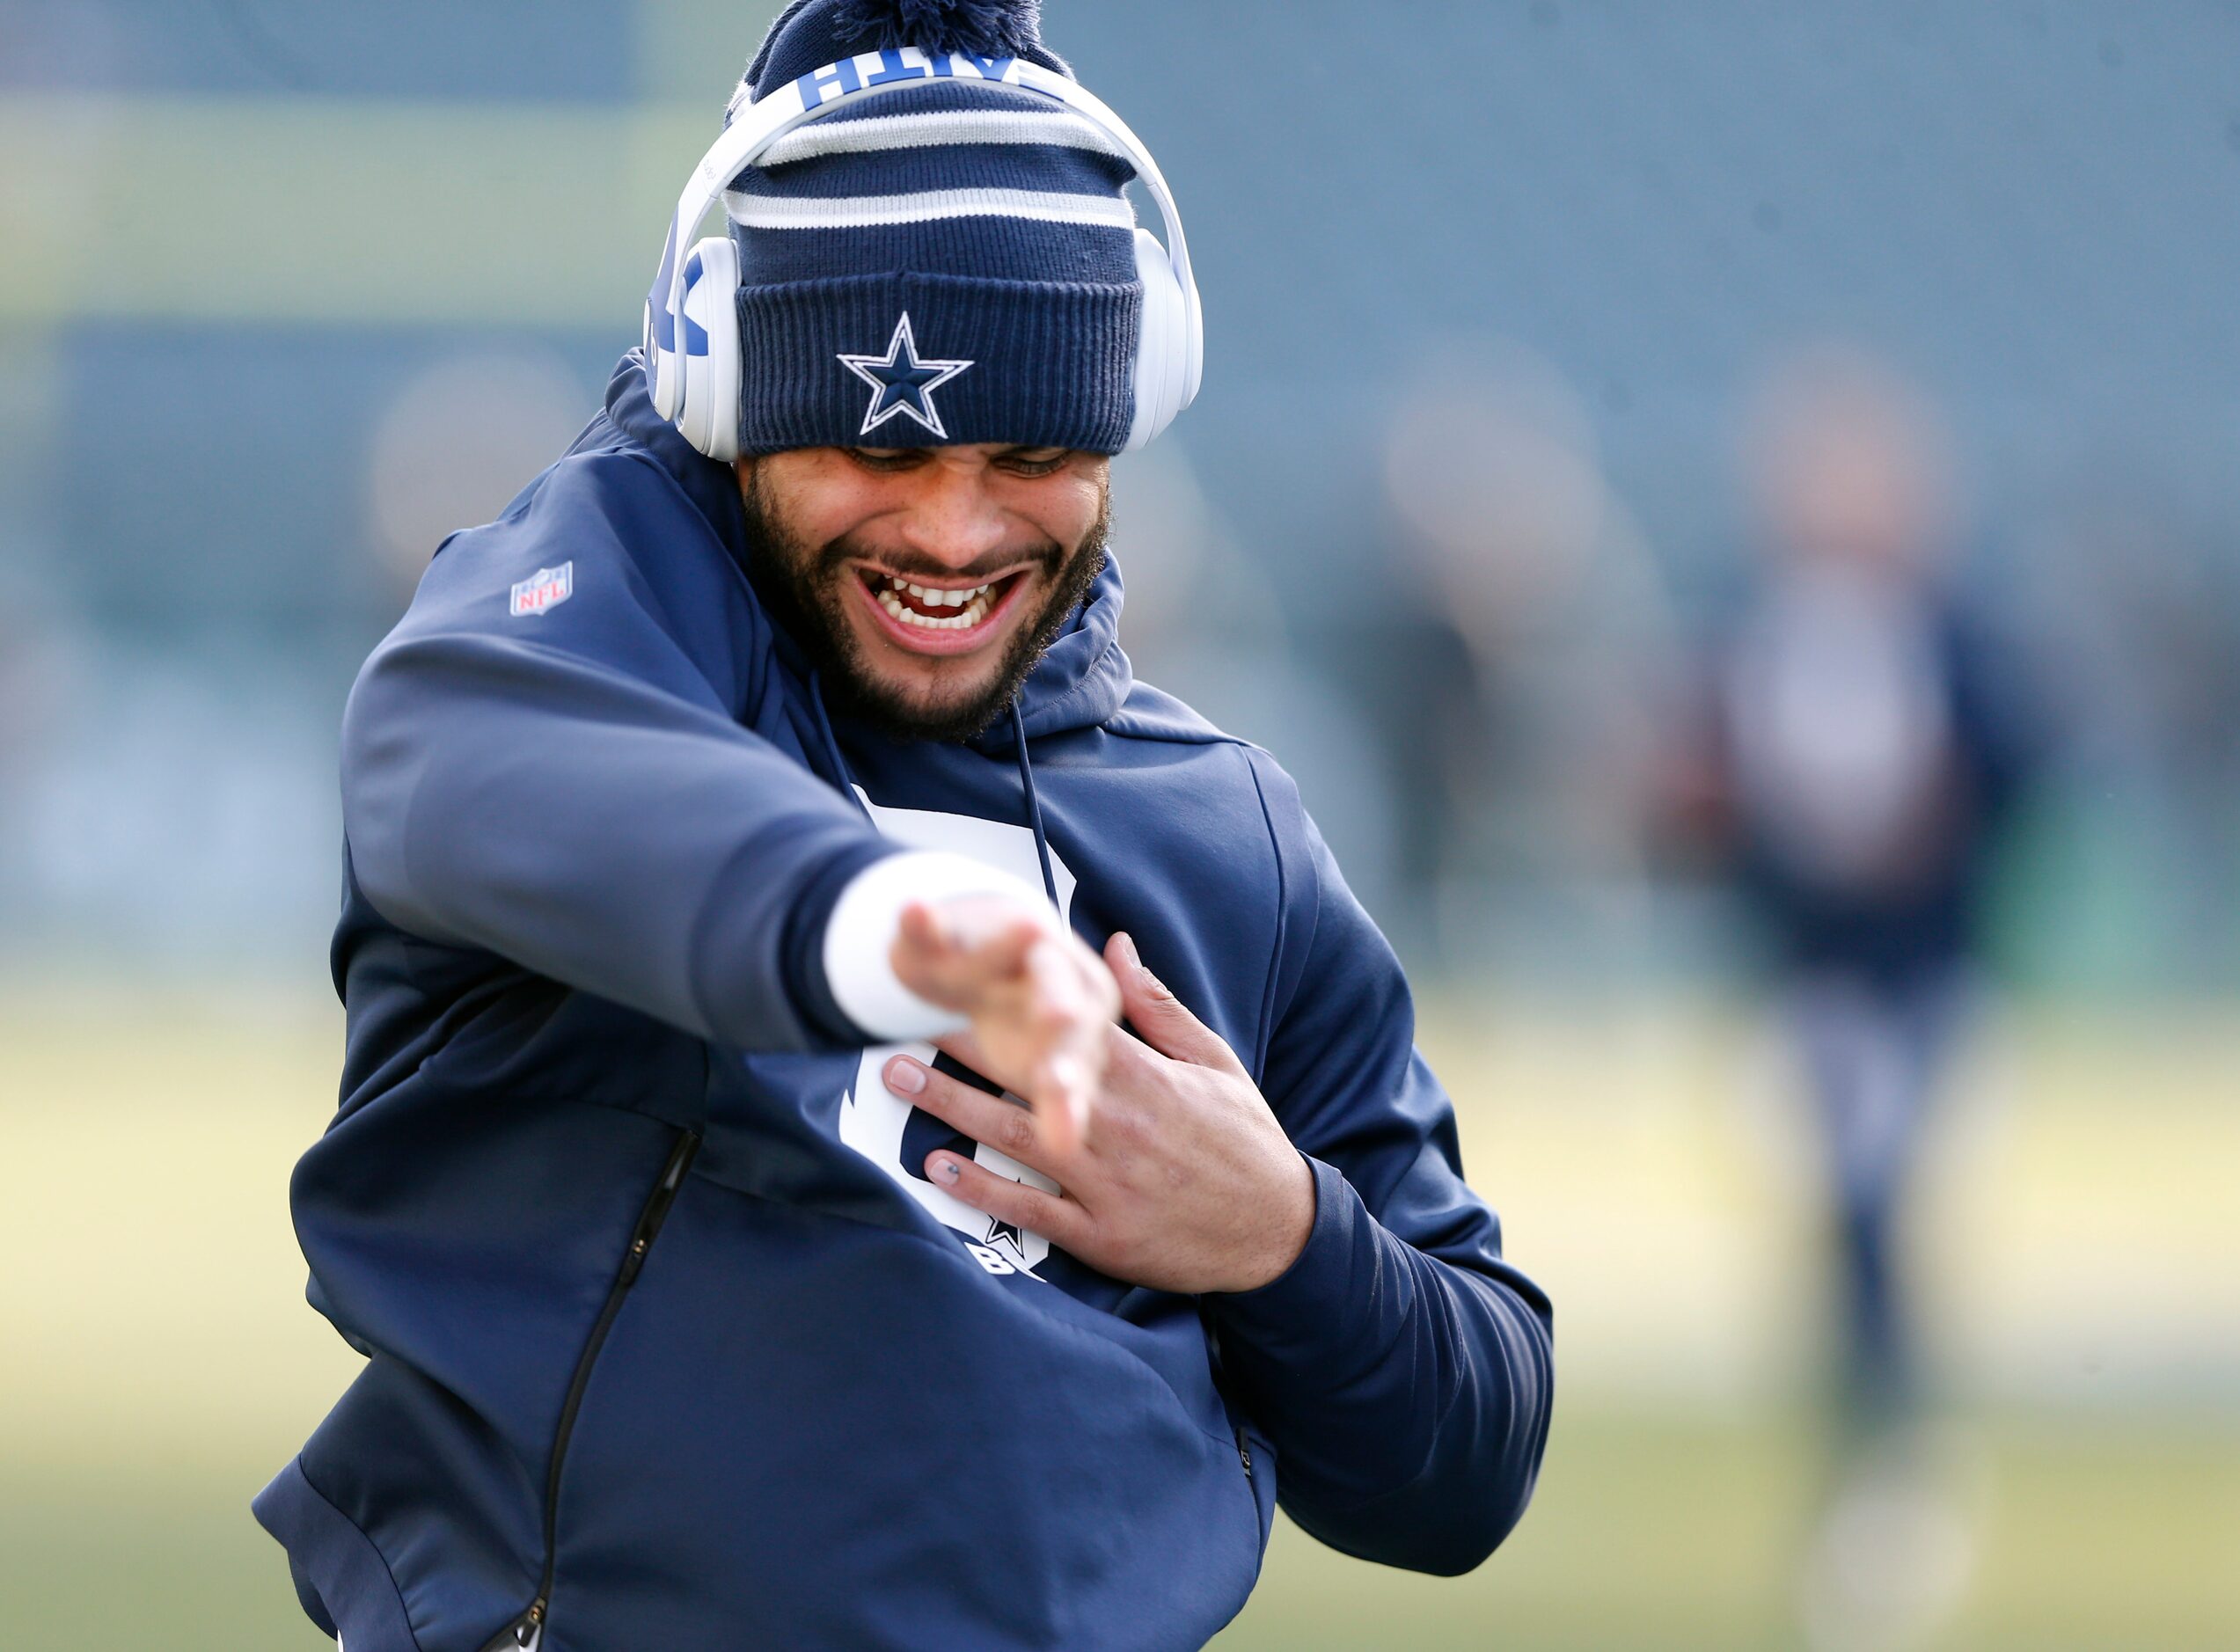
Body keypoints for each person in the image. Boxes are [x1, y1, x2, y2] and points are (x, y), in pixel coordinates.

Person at [253, 4, 1553, 1648]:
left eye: (1029, 450)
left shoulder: (1223, 833)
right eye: (876, 441)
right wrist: (882, 933)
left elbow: (1467, 1458)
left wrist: (1280, 1235)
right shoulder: (562, 661)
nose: (952, 526)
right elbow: (507, 775)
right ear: (725, 394)